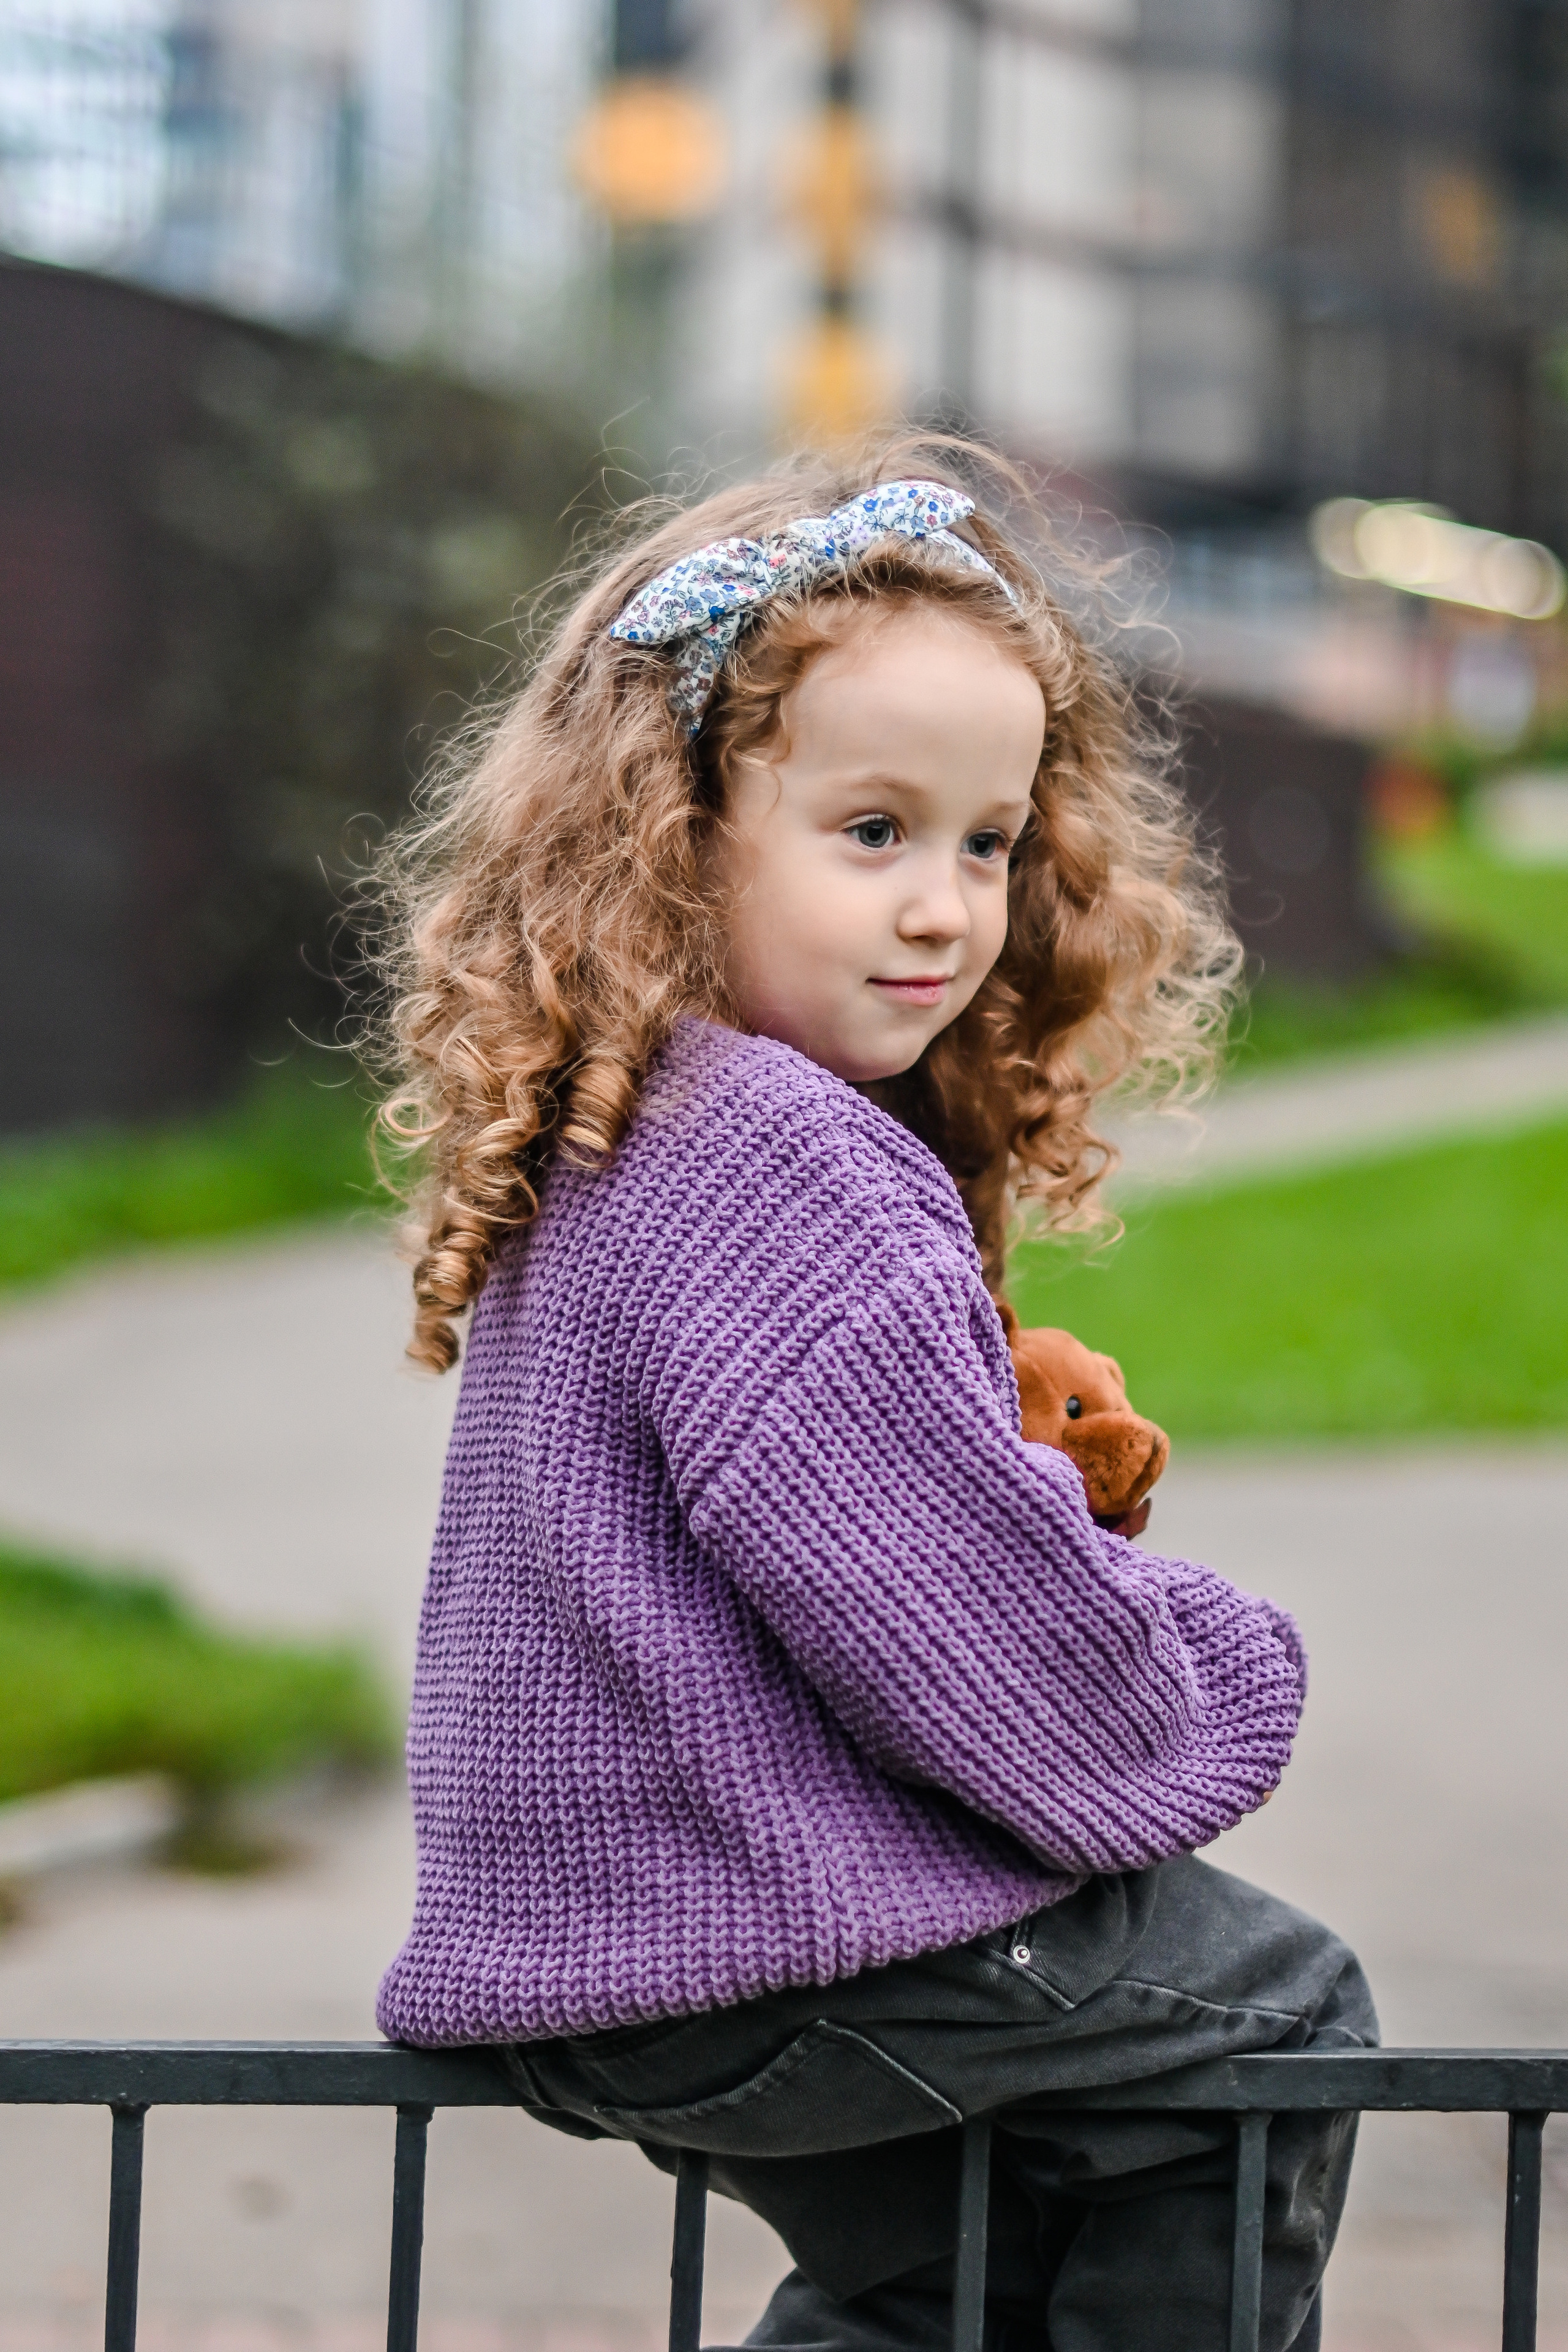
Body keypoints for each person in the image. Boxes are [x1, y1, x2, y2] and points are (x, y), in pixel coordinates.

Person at [371, 444, 1376, 2352]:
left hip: (603, 1947)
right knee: (1273, 2016)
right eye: (872, 832)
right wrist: (1212, 1653)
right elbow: (972, 1640)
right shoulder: (784, 1158)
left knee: (946, 2285)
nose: (945, 908)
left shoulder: (625, 1120)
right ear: (677, 830)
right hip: (749, 1934)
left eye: (989, 843)